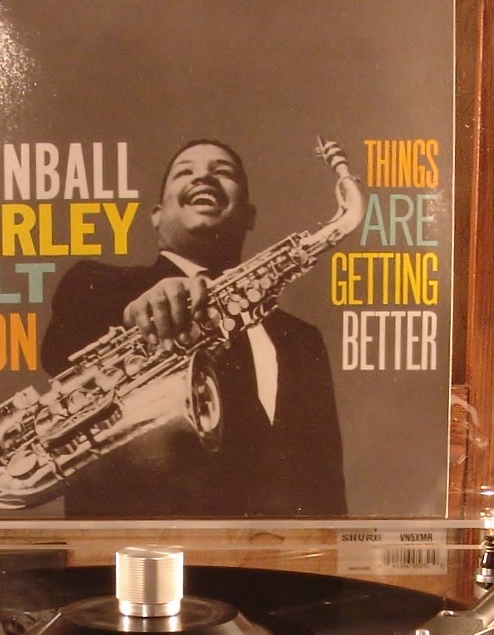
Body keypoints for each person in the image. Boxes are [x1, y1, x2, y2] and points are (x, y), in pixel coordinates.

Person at [41, 139, 347, 519]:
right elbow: (61, 357)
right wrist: (137, 314)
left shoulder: (301, 340)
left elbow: (324, 487)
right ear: (156, 215)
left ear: (249, 215)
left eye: (223, 172)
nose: (204, 177)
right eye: (185, 171)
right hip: (138, 548)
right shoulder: (97, 284)